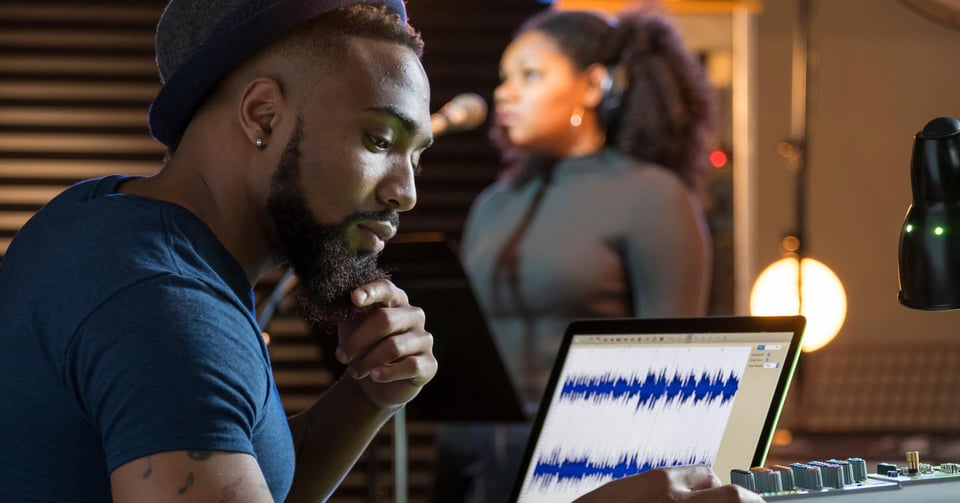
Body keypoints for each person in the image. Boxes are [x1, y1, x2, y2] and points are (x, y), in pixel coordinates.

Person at [0, 1, 759, 502]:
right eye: (378, 140)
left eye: (418, 154)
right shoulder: (166, 310)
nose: (407, 191)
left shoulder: (101, 217)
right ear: (262, 113)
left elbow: (243, 473)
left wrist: (366, 393)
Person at [448, 6, 719, 502]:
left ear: (594, 86)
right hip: (485, 469)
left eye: (530, 75)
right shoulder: (493, 205)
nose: (504, 93)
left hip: (592, 469)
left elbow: (675, 371)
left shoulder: (653, 196)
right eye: (503, 78)